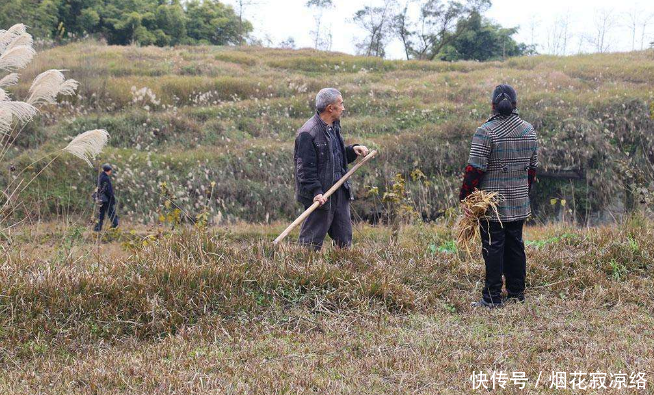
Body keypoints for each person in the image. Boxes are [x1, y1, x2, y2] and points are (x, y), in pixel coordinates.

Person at [459, 84, 538, 308]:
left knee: (493, 247)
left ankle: (492, 297)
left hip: (492, 203)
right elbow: (532, 169)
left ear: (492, 105)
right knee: (516, 244)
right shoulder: (528, 130)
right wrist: (523, 191)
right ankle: (516, 293)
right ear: (515, 105)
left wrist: (466, 199)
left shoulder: (486, 131)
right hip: (519, 200)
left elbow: (474, 170)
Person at [294, 88, 369, 250]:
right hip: (321, 196)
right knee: (310, 243)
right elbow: (305, 169)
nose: (343, 108)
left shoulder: (334, 126)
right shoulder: (308, 133)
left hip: (339, 190)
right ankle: (301, 271)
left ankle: (343, 271)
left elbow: (336, 157)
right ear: (330, 108)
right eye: (340, 104)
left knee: (344, 239)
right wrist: (316, 191)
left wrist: (352, 151)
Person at [94, 163, 119, 231]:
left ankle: (97, 229)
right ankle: (115, 225)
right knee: (111, 212)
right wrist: (112, 198)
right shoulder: (106, 178)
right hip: (107, 199)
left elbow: (98, 187)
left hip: (100, 198)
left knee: (100, 214)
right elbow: (108, 190)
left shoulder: (100, 176)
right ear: (109, 171)